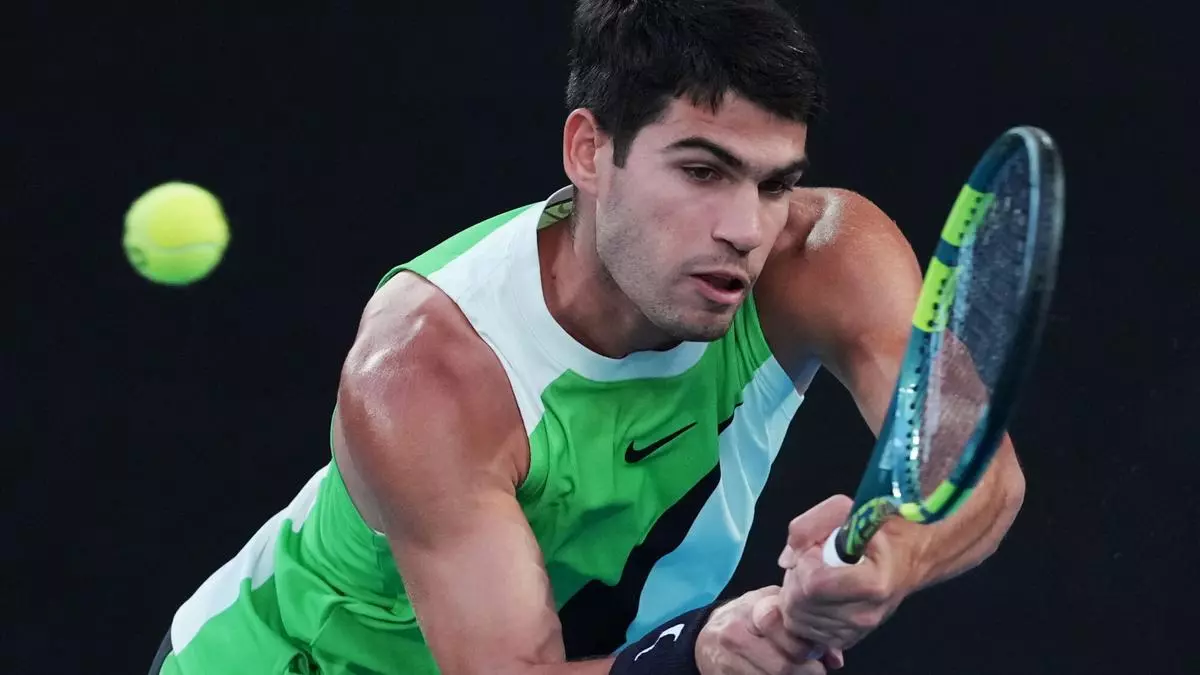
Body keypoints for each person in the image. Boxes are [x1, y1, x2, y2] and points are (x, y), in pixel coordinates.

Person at [150, 1, 1026, 673]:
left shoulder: (824, 257)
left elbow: (981, 471)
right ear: (588, 151)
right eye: (702, 170)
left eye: (772, 185)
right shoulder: (429, 370)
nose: (744, 229)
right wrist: (697, 656)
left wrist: (888, 563)